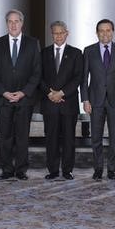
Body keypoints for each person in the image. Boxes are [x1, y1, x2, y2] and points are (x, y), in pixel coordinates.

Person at [0, 9, 42, 180]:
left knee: (22, 137)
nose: (13, 24)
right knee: (4, 136)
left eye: (16, 21)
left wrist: (24, 92)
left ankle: (21, 170)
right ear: (6, 24)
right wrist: (3, 92)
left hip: (24, 99)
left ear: (22, 23)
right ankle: (6, 170)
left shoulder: (33, 43)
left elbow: (37, 72)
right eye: (10, 21)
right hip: (3, 99)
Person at [80, 18, 115, 180]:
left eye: (108, 30)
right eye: (101, 31)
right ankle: (98, 169)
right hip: (95, 100)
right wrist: (85, 100)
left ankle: (111, 169)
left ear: (113, 32)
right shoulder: (88, 51)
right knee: (95, 137)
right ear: (97, 33)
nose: (105, 33)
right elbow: (84, 78)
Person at [39, 21, 83, 180]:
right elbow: (39, 76)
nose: (58, 36)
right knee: (51, 138)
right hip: (49, 102)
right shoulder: (43, 53)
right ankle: (52, 170)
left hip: (68, 103)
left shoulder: (76, 53)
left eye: (61, 32)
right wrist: (49, 93)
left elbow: (78, 77)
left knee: (69, 139)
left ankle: (67, 170)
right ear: (52, 34)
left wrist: (62, 93)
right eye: (55, 33)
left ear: (67, 33)